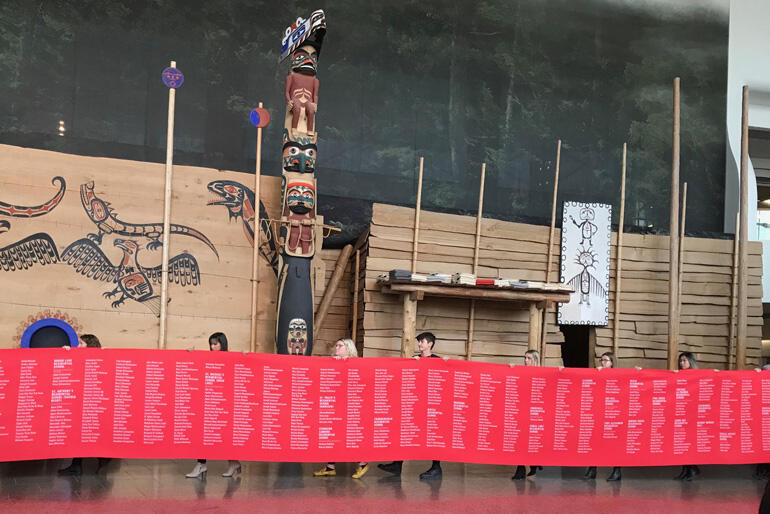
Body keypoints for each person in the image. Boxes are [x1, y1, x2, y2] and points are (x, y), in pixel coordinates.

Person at [378, 332, 443, 480]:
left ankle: (436, 468)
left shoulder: (437, 360)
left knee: (433, 436)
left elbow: (445, 377)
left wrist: (446, 362)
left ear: (430, 344)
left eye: (422, 341)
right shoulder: (414, 359)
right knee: (403, 432)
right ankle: (397, 464)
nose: (420, 344)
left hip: (431, 406)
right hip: (415, 404)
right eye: (419, 342)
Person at [186, 332, 241, 479]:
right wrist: (190, 355)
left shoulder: (231, 358)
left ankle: (233, 462)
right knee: (203, 433)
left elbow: (243, 368)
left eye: (216, 343)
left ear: (222, 344)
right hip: (210, 402)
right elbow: (196, 365)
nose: (212, 346)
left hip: (225, 403)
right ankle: (201, 464)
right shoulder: (207, 357)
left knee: (225, 436)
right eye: (211, 344)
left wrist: (246, 356)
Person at [314, 338, 370, 479]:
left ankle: (363, 463)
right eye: (336, 345)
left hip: (351, 407)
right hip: (336, 406)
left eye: (340, 346)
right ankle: (330, 467)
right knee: (333, 436)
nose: (336, 347)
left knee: (349, 437)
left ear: (348, 348)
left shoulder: (357, 364)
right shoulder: (333, 362)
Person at [58, 334, 111, 476]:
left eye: (81, 343)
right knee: (79, 434)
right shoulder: (77, 356)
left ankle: (102, 458)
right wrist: (65, 352)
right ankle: (81, 464)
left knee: (88, 434)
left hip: (93, 404)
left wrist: (108, 353)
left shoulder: (102, 357)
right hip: (81, 402)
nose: (77, 346)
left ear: (90, 345)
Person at [584, 351, 621, 482]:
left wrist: (638, 371)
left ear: (612, 363)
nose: (602, 362)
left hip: (613, 416)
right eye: (601, 360)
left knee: (614, 446)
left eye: (605, 360)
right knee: (594, 442)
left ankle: (617, 472)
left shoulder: (620, 376)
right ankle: (592, 469)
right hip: (599, 414)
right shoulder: (596, 374)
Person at [512, 350, 543, 480]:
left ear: (535, 360)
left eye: (529, 358)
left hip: (536, 414)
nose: (525, 361)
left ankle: (534, 466)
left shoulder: (543, 373)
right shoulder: (520, 371)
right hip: (522, 412)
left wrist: (560, 370)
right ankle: (520, 469)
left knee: (533, 442)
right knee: (520, 441)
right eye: (525, 358)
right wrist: (511, 369)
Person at [674, 351, 699, 481]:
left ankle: (692, 469)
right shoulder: (677, 374)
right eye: (680, 361)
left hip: (692, 415)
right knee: (682, 445)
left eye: (684, 360)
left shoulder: (697, 375)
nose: (681, 363)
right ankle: (685, 470)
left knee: (689, 444)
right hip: (681, 413)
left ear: (691, 361)